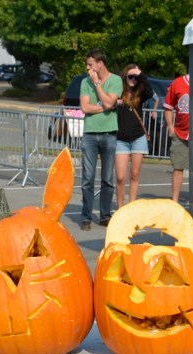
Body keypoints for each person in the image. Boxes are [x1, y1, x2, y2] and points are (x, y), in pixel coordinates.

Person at [78, 49, 122, 230]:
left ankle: (105, 215)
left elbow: (110, 102)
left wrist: (97, 84)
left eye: (90, 64)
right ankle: (86, 216)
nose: (87, 67)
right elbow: (85, 108)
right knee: (87, 178)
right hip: (90, 134)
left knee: (107, 179)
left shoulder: (116, 80)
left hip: (109, 133)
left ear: (100, 63)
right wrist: (105, 107)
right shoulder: (84, 82)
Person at [114, 64, 152, 208]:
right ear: (125, 77)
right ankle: (120, 206)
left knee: (135, 174)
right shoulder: (118, 92)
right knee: (120, 177)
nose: (134, 79)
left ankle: (131, 206)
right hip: (120, 139)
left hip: (138, 138)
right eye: (131, 76)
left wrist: (140, 73)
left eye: (136, 77)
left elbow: (150, 90)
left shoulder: (141, 93)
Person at [163, 73, 190, 203]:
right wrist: (170, 127)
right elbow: (168, 106)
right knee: (178, 168)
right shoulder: (178, 83)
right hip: (181, 133)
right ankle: (175, 201)